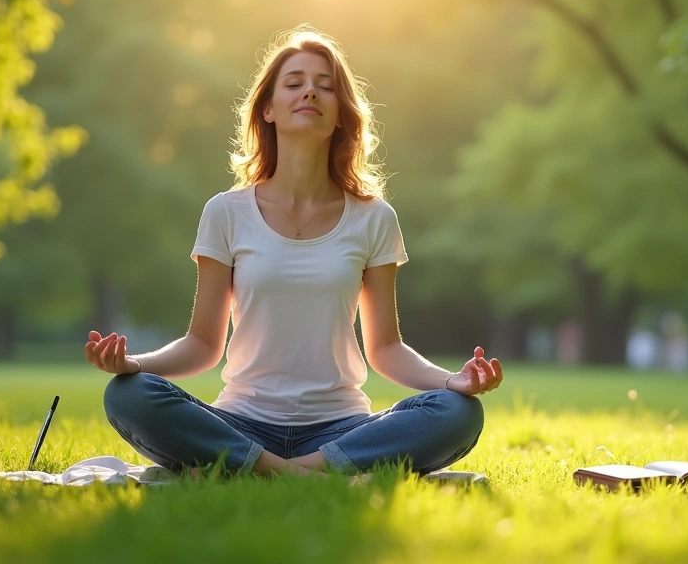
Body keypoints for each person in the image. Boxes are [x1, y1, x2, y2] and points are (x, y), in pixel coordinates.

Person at [85, 26, 504, 478]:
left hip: (340, 428)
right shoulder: (226, 212)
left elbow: (385, 348)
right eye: (295, 83)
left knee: (458, 413)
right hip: (240, 422)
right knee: (128, 394)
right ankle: (303, 475)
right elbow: (204, 345)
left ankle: (268, 471)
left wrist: (451, 382)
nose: (311, 91)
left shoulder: (374, 217)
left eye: (326, 86)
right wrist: (133, 364)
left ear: (341, 114)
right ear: (267, 109)